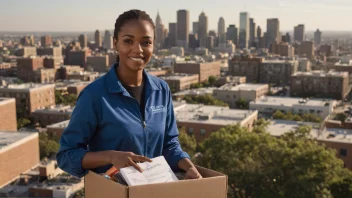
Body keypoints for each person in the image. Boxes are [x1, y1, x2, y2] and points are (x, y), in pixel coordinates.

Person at [56, 9, 202, 180]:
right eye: (128, 41)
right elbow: (66, 155)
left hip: (154, 191)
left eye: (146, 42)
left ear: (153, 45)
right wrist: (110, 156)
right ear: (115, 43)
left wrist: (189, 167)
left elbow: (169, 145)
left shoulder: (162, 90)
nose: (137, 49)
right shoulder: (94, 96)